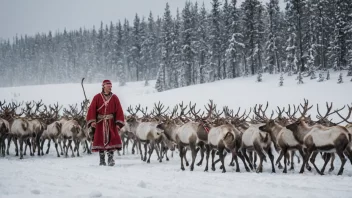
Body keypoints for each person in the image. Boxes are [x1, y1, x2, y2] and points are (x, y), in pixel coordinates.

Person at [86, 79, 125, 166]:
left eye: (111, 86)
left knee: (112, 140)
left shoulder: (115, 98)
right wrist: (92, 121)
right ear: (103, 86)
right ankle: (102, 160)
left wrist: (118, 124)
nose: (110, 88)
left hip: (111, 123)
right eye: (108, 86)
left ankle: (110, 159)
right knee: (100, 140)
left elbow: (119, 111)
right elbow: (91, 109)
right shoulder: (97, 97)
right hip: (100, 123)